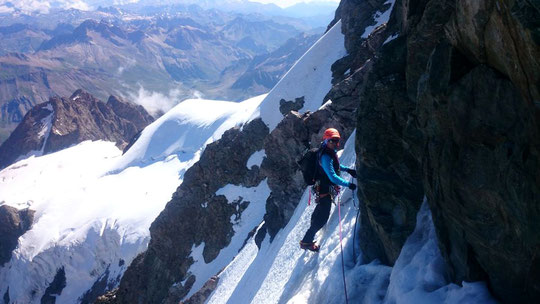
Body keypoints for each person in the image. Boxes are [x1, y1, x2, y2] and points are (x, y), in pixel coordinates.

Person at [299, 128, 357, 252]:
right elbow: (332, 176)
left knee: (320, 211)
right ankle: (306, 242)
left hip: (322, 188)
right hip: (324, 189)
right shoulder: (325, 156)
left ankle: (310, 231)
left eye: (337, 141)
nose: (335, 143)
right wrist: (348, 184)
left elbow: (335, 166)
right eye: (332, 141)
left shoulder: (326, 152)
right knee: (322, 218)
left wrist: (348, 170)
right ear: (326, 140)